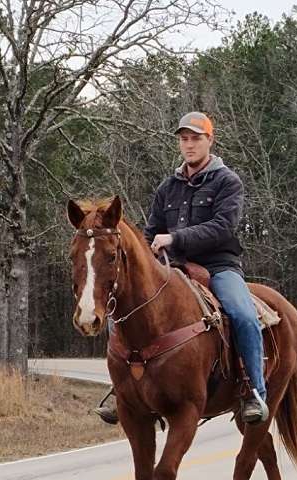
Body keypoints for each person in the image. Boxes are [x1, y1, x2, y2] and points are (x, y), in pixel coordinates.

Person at [96, 111, 268, 426]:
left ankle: (253, 391)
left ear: (209, 140)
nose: (189, 145)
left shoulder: (227, 181)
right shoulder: (168, 187)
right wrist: (144, 254)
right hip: (172, 267)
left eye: (196, 139)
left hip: (218, 266)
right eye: (184, 139)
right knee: (119, 313)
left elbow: (222, 227)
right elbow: (151, 231)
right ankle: (122, 388)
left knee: (243, 315)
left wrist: (175, 237)